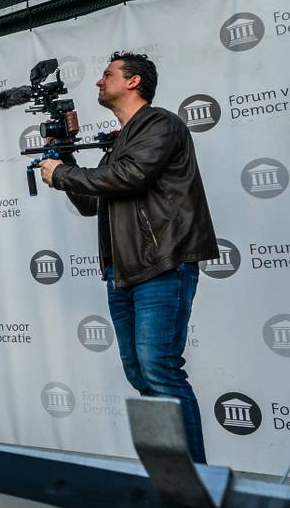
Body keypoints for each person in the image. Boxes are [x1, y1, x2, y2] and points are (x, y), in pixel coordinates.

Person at [38, 51, 218, 464]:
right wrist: (64, 159)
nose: (99, 82)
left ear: (134, 81)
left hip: (161, 264)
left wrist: (62, 174)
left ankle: (193, 482)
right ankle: (168, 473)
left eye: (107, 75)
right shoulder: (119, 145)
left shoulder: (160, 123)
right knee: (140, 372)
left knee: (159, 368)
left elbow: (131, 176)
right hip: (122, 272)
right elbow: (89, 202)